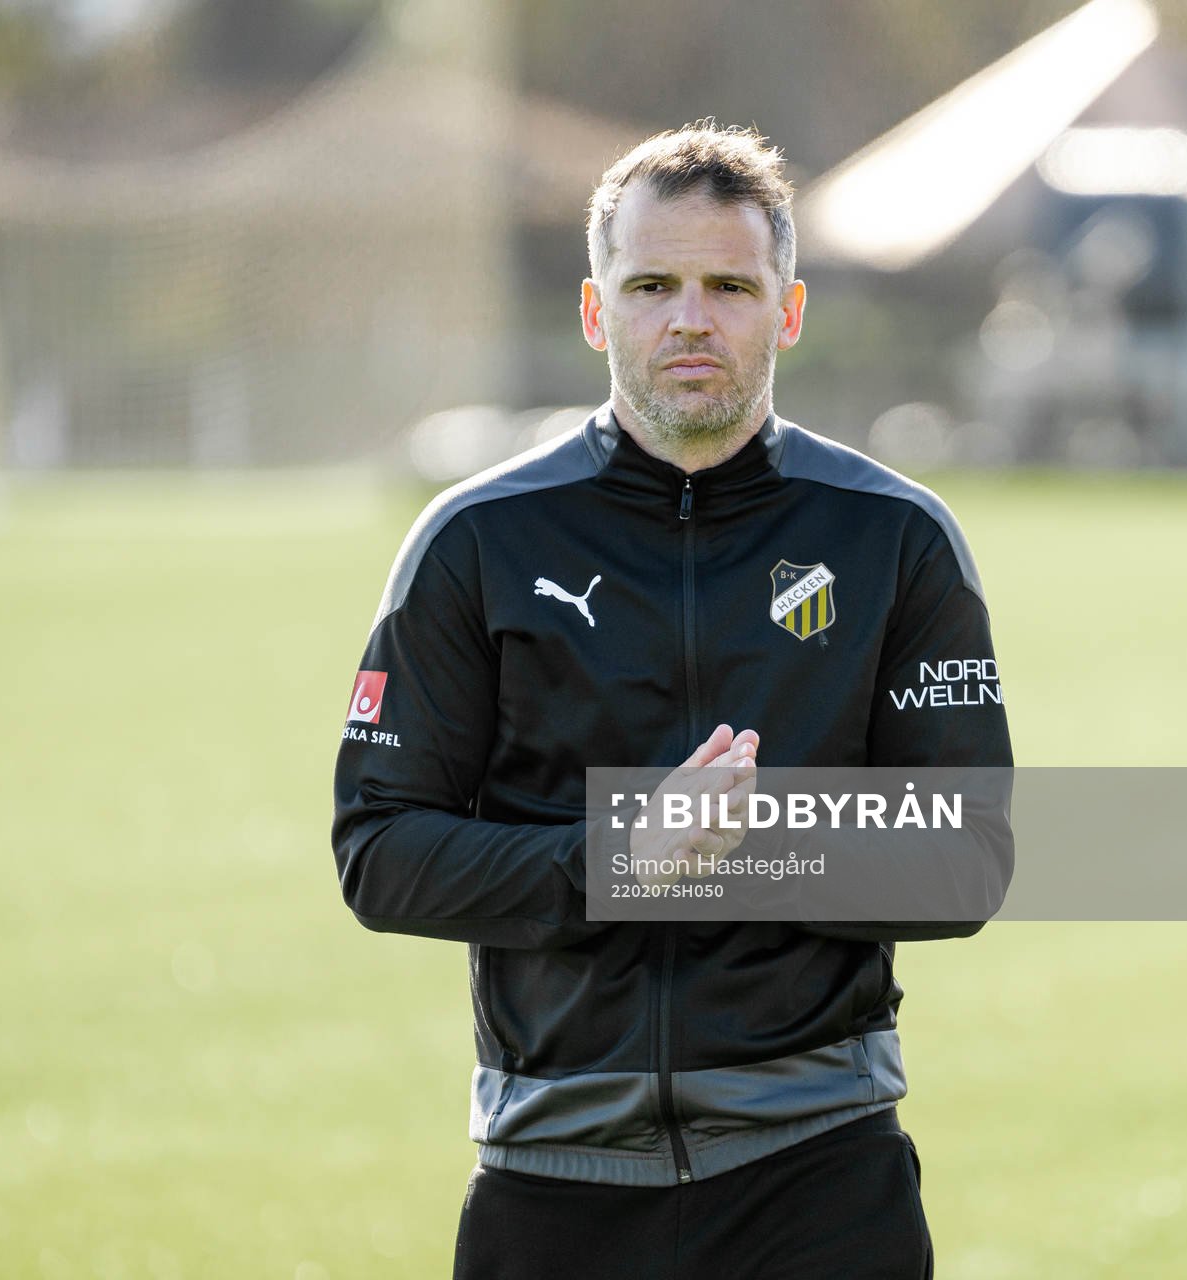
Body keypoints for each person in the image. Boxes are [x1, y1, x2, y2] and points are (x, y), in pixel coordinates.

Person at [331, 121, 1011, 1279]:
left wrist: (733, 844)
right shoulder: (476, 539)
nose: (689, 317)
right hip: (552, 1180)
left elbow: (968, 854)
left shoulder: (895, 538)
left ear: (787, 312)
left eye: (729, 286)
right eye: (651, 283)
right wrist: (620, 851)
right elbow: (380, 849)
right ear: (597, 312)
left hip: (823, 1176)